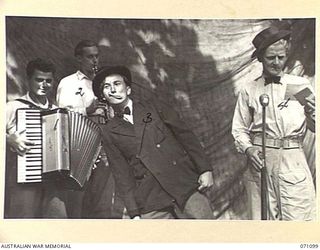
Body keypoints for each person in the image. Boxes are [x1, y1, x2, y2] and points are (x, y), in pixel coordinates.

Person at [92, 65, 214, 219]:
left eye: (117, 84)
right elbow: (121, 173)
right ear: (103, 96)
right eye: (106, 87)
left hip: (183, 184)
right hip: (151, 198)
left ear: (128, 89)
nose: (113, 90)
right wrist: (133, 212)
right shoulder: (109, 131)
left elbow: (185, 135)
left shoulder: (152, 106)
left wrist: (205, 169)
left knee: (208, 236)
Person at [232, 25, 316, 220]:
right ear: (260, 58)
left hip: (292, 160)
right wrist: (248, 149)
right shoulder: (249, 89)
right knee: (264, 223)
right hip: (260, 160)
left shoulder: (298, 85)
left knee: (298, 221)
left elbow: (314, 127)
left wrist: (314, 114)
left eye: (281, 57)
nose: (277, 63)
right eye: (271, 58)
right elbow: (239, 129)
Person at [5, 58, 67, 218]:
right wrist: (8, 139)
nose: (43, 84)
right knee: (23, 224)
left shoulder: (58, 110)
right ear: (28, 80)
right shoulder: (13, 107)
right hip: (23, 179)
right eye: (38, 79)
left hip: (54, 180)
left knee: (57, 222)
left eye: (48, 81)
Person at [56, 40, 111, 218]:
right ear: (79, 59)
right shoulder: (68, 83)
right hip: (79, 149)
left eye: (97, 56)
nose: (94, 61)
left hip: (103, 149)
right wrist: (88, 110)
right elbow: (61, 116)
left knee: (102, 203)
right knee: (77, 203)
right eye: (89, 57)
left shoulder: (105, 83)